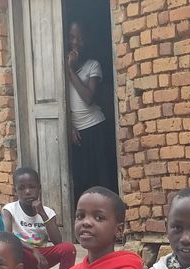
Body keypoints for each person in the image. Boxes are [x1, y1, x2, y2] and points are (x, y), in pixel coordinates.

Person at [65, 20, 118, 203]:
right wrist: (69, 126)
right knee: (82, 181)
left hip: (95, 128)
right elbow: (59, 103)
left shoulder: (92, 65)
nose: (76, 42)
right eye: (72, 37)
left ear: (86, 40)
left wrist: (70, 70)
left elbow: (88, 98)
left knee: (102, 180)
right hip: (77, 134)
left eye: (80, 38)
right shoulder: (59, 67)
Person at [1, 167, 78, 269]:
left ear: (39, 188)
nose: (27, 192)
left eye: (32, 187)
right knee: (5, 247)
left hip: (42, 258)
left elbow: (57, 242)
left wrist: (42, 213)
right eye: (21, 188)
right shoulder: (9, 209)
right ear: (15, 191)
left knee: (69, 249)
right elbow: (7, 237)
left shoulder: (48, 212)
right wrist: (32, 249)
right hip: (21, 255)